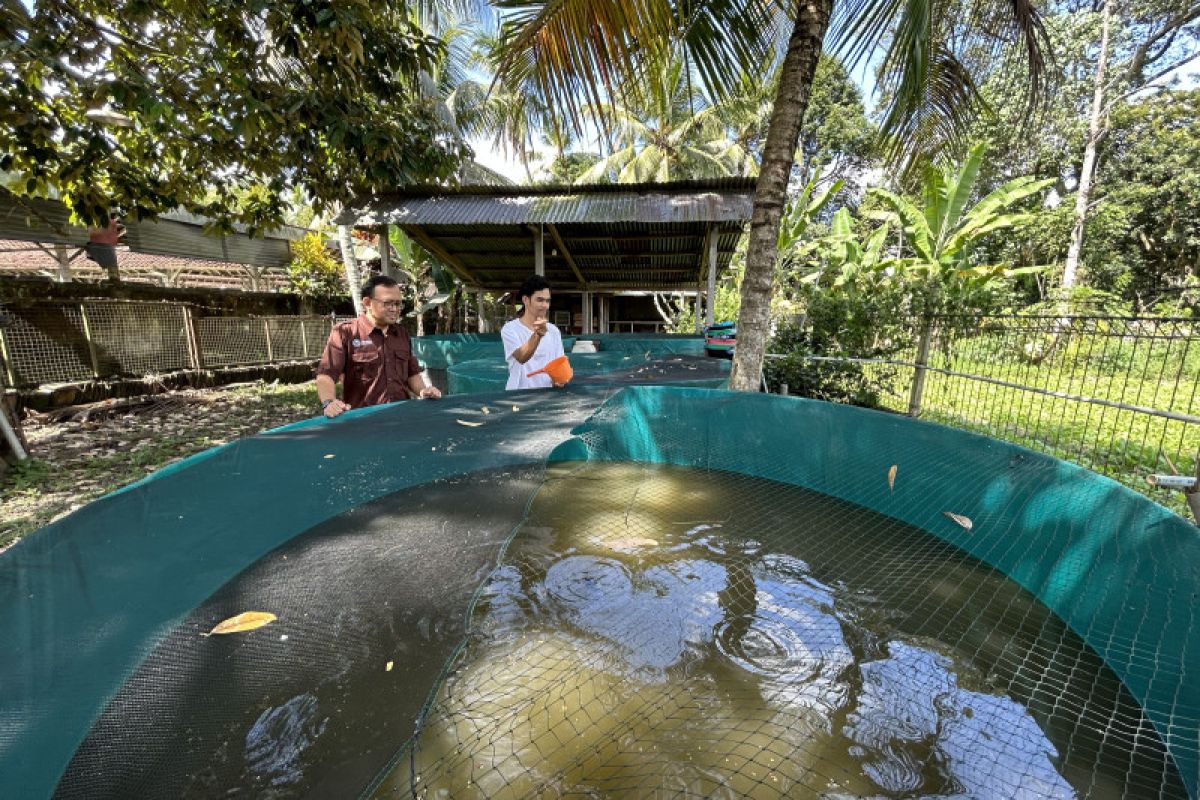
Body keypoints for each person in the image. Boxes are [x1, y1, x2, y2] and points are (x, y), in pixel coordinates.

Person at [315, 275, 441, 418]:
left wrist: (423, 391)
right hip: (363, 421)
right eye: (388, 303)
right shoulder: (346, 332)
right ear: (367, 302)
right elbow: (326, 374)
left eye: (398, 304)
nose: (395, 309)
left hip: (402, 416)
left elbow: (412, 373)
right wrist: (329, 402)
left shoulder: (401, 333)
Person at [502, 275, 566, 390]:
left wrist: (561, 379)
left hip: (547, 397)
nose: (545, 305)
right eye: (540, 300)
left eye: (547, 301)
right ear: (526, 300)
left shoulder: (554, 331)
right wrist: (538, 335)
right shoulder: (510, 329)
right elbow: (521, 357)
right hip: (518, 397)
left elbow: (559, 363)